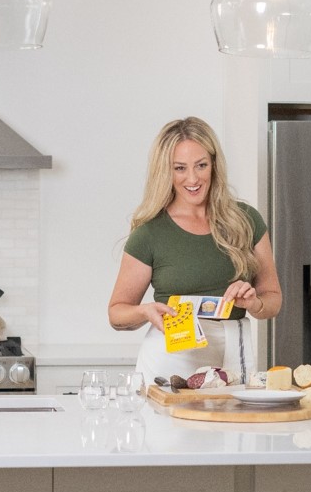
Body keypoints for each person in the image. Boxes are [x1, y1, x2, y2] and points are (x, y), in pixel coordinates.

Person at [108, 117, 282, 385]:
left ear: (214, 164)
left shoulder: (247, 221)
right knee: (170, 427)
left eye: (201, 165)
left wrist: (254, 303)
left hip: (235, 353)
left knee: (234, 426)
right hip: (171, 360)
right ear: (166, 171)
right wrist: (146, 312)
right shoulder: (150, 234)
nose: (193, 178)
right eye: (180, 168)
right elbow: (117, 313)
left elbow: (273, 299)